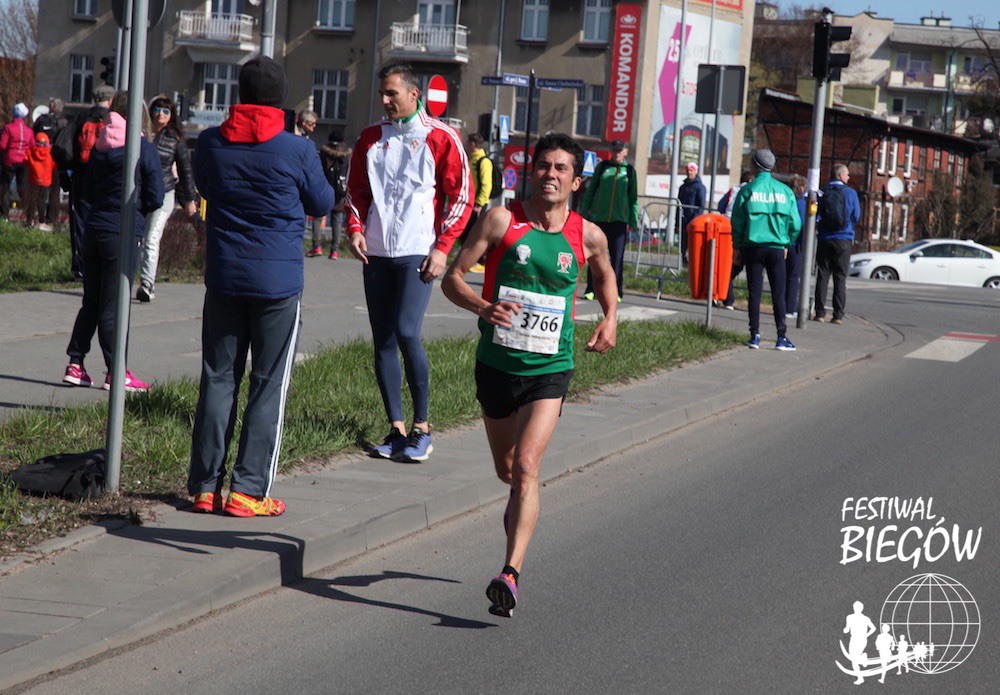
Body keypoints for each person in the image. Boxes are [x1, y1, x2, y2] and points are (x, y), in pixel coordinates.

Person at [441, 132, 617, 618]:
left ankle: (510, 573)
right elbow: (452, 278)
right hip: (497, 364)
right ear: (530, 171)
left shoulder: (588, 235)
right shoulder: (501, 220)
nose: (550, 174)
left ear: (576, 181)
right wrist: (483, 306)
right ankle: (518, 501)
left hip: (550, 368)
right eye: (543, 166)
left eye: (561, 168)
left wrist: (611, 316)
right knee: (507, 470)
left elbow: (604, 275)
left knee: (526, 468)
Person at [187, 56, 334, 518]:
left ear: (240, 92)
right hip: (277, 284)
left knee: (217, 378)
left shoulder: (210, 142)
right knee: (268, 385)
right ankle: (248, 491)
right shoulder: (298, 150)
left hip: (225, 276)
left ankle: (205, 487)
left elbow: (205, 186)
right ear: (281, 99)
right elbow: (322, 202)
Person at [346, 62, 472, 463]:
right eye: (382, 94)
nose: (385, 101)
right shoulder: (370, 138)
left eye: (392, 93)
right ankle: (396, 430)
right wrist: (355, 228)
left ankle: (423, 428)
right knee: (383, 338)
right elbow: (356, 191)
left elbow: (462, 195)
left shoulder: (441, 136)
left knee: (406, 331)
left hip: (419, 249)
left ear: (414, 94)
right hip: (376, 250)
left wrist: (443, 247)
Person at [62, 91, 164, 393]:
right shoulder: (143, 149)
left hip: (94, 230)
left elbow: (89, 191)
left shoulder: (100, 146)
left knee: (91, 302)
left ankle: (75, 364)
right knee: (114, 306)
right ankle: (116, 372)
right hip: (122, 232)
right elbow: (156, 196)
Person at [730, 148, 800, 351]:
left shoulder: (747, 190)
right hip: (777, 247)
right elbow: (795, 223)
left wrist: (737, 246)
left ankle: (754, 335)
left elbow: (737, 221)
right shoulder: (785, 191)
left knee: (754, 292)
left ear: (754, 165)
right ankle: (781, 336)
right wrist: (787, 243)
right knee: (778, 292)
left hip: (752, 247)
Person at [136, 95, 198, 302]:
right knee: (136, 239)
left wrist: (190, 199)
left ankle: (147, 284)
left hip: (164, 194)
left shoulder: (175, 139)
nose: (160, 114)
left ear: (171, 115)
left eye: (165, 111)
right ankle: (127, 280)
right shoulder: (140, 133)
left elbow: (186, 170)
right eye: (157, 110)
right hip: (140, 193)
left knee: (152, 237)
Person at [65, 86, 114, 278]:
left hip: (82, 174)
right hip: (106, 177)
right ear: (110, 101)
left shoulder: (81, 118)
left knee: (80, 220)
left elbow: (69, 148)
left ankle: (80, 266)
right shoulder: (113, 120)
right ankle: (100, 265)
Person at [580, 139, 638, 303]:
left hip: (619, 221)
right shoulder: (602, 167)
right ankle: (591, 289)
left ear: (625, 152)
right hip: (599, 219)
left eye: (620, 150)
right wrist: (584, 215)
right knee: (595, 255)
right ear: (611, 151)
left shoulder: (629, 171)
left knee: (617, 258)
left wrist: (633, 221)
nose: (617, 153)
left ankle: (616, 291)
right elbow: (590, 191)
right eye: (614, 150)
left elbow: (633, 198)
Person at [813, 163, 860, 324]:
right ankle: (838, 315)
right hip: (844, 239)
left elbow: (816, 214)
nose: (848, 177)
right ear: (840, 176)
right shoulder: (850, 193)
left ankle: (819, 313)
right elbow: (856, 216)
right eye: (847, 174)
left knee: (823, 275)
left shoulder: (822, 192)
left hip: (825, 238)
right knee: (840, 277)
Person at [719, 169, 753, 309]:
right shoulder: (751, 191)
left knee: (729, 266)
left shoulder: (733, 190)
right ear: (750, 181)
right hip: (745, 232)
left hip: (727, 228)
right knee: (740, 267)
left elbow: (721, 205)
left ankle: (726, 297)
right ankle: (730, 298)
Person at [32, 98, 68, 227]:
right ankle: (52, 218)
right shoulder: (64, 123)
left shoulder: (41, 120)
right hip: (56, 160)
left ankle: (39, 218)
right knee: (55, 190)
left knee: (41, 189)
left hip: (41, 160)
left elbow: (33, 136)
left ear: (51, 107)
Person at [317, 132, 350, 259]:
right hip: (340, 190)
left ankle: (316, 246)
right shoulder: (347, 153)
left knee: (318, 216)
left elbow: (319, 169)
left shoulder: (324, 152)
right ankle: (334, 250)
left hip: (324, 186)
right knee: (337, 218)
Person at [0, 103, 32, 219]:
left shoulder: (8, 128)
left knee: (4, 187)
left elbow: (2, 145)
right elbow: (32, 146)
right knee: (23, 187)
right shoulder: (29, 131)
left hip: (9, 160)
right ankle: (28, 213)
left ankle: (4, 214)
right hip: (23, 161)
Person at [23, 131, 57, 230]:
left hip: (33, 180)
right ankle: (41, 221)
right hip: (46, 181)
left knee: (32, 201)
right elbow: (54, 165)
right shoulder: (50, 152)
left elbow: (25, 162)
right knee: (42, 201)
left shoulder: (31, 151)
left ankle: (30, 221)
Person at [784, 174, 807, 319]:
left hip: (782, 241)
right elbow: (802, 224)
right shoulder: (802, 203)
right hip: (795, 242)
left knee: (783, 275)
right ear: (802, 188)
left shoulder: (786, 200)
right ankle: (790, 308)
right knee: (793, 276)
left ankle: (781, 305)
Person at [677, 161, 706, 264]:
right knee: (682, 248)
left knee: (693, 247)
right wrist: (677, 223)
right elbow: (678, 205)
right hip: (683, 222)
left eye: (691, 170)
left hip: (693, 222)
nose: (689, 172)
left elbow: (700, 206)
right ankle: (683, 266)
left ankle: (692, 267)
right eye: (688, 170)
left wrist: (694, 222)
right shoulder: (682, 187)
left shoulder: (700, 187)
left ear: (695, 171)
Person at [843, 601, 876, 685]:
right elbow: (847, 628)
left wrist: (866, 635)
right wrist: (845, 630)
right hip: (853, 639)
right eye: (855, 607)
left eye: (858, 607)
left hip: (861, 639)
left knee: (854, 658)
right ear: (853, 608)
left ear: (862, 608)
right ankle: (860, 676)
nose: (856, 609)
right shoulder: (849, 617)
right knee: (853, 660)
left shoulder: (865, 618)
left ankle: (862, 658)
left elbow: (873, 628)